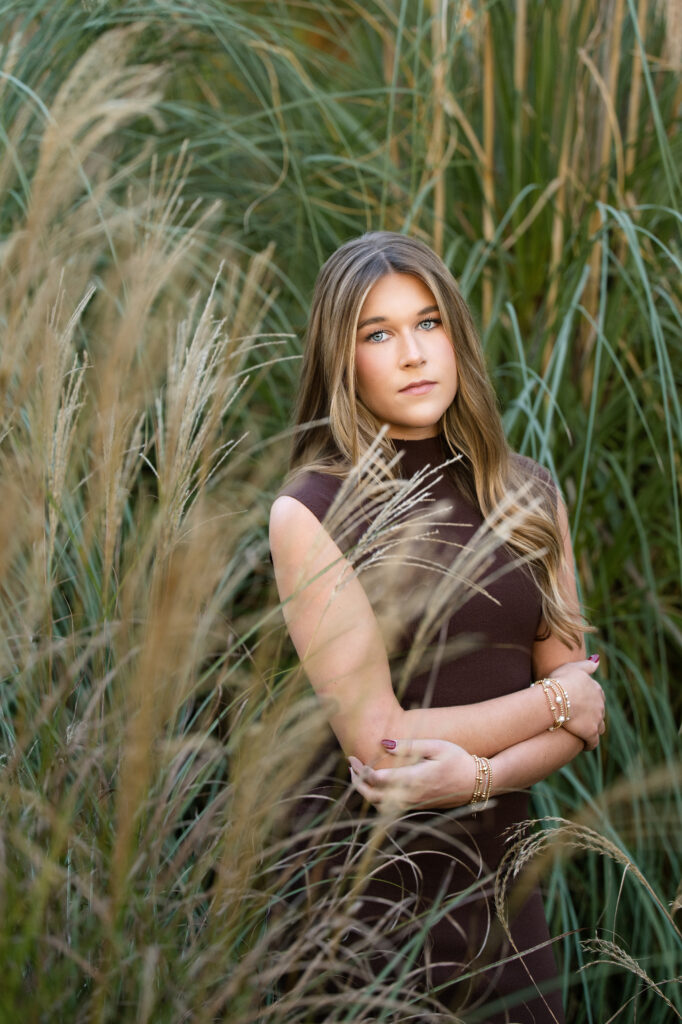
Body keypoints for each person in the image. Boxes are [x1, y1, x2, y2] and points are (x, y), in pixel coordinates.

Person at [269, 231, 605, 1022]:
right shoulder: (312, 511)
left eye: (429, 324)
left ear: (456, 335)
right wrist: (555, 704)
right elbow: (381, 742)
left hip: (506, 898)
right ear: (341, 360)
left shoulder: (528, 496)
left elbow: (585, 712)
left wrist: (480, 778)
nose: (414, 353)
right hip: (372, 908)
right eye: (378, 334)